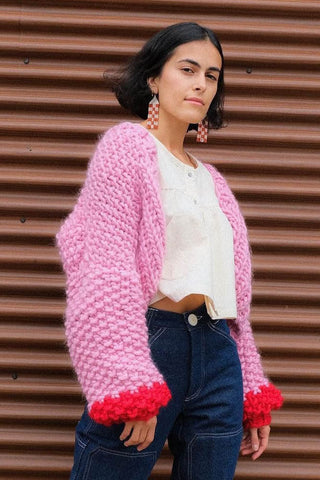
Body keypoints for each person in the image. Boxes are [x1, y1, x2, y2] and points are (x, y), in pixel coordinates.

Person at [55, 22, 283, 480]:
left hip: (218, 355)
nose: (202, 84)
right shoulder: (125, 149)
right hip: (153, 344)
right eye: (188, 68)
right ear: (154, 79)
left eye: (213, 76)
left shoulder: (211, 179)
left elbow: (232, 302)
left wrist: (251, 388)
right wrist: (126, 381)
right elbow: (106, 270)